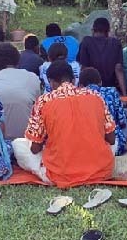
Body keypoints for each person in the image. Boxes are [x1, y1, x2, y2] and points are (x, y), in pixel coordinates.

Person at [14, 60, 116, 188]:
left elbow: (35, 148)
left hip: (61, 174)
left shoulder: (43, 101)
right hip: (101, 171)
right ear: (74, 79)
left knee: (18, 144)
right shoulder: (96, 96)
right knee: (113, 144)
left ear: (51, 82)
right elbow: (111, 139)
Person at [0, 43, 42, 140]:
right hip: (28, 140)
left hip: (1, 141)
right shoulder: (33, 78)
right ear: (18, 59)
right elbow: (38, 109)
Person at [79, 67, 127, 155]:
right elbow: (122, 122)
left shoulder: (77, 97)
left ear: (80, 85)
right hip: (111, 145)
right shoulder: (111, 91)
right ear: (100, 82)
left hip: (86, 146)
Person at [77, 17, 127, 95]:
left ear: (93, 30)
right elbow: (119, 69)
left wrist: (80, 90)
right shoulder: (115, 43)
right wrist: (124, 94)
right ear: (108, 31)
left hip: (91, 91)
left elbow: (84, 68)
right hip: (110, 90)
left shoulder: (86, 41)